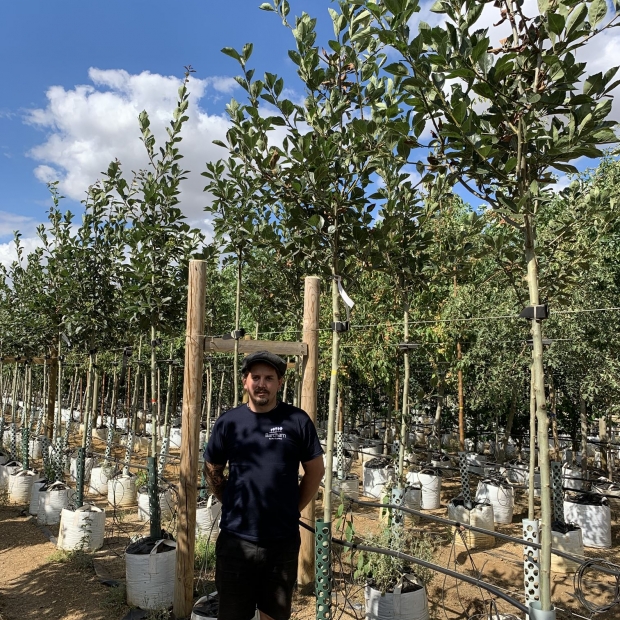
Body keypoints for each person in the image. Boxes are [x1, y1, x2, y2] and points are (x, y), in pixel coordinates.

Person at [204, 350, 325, 620]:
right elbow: (212, 468)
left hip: (281, 543)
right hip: (236, 542)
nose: (262, 384)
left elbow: (316, 471)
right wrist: (230, 500)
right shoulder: (229, 423)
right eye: (256, 377)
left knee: (274, 615)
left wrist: (292, 508)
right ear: (245, 381)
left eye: (269, 378)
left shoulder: (297, 421)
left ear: (279, 383)